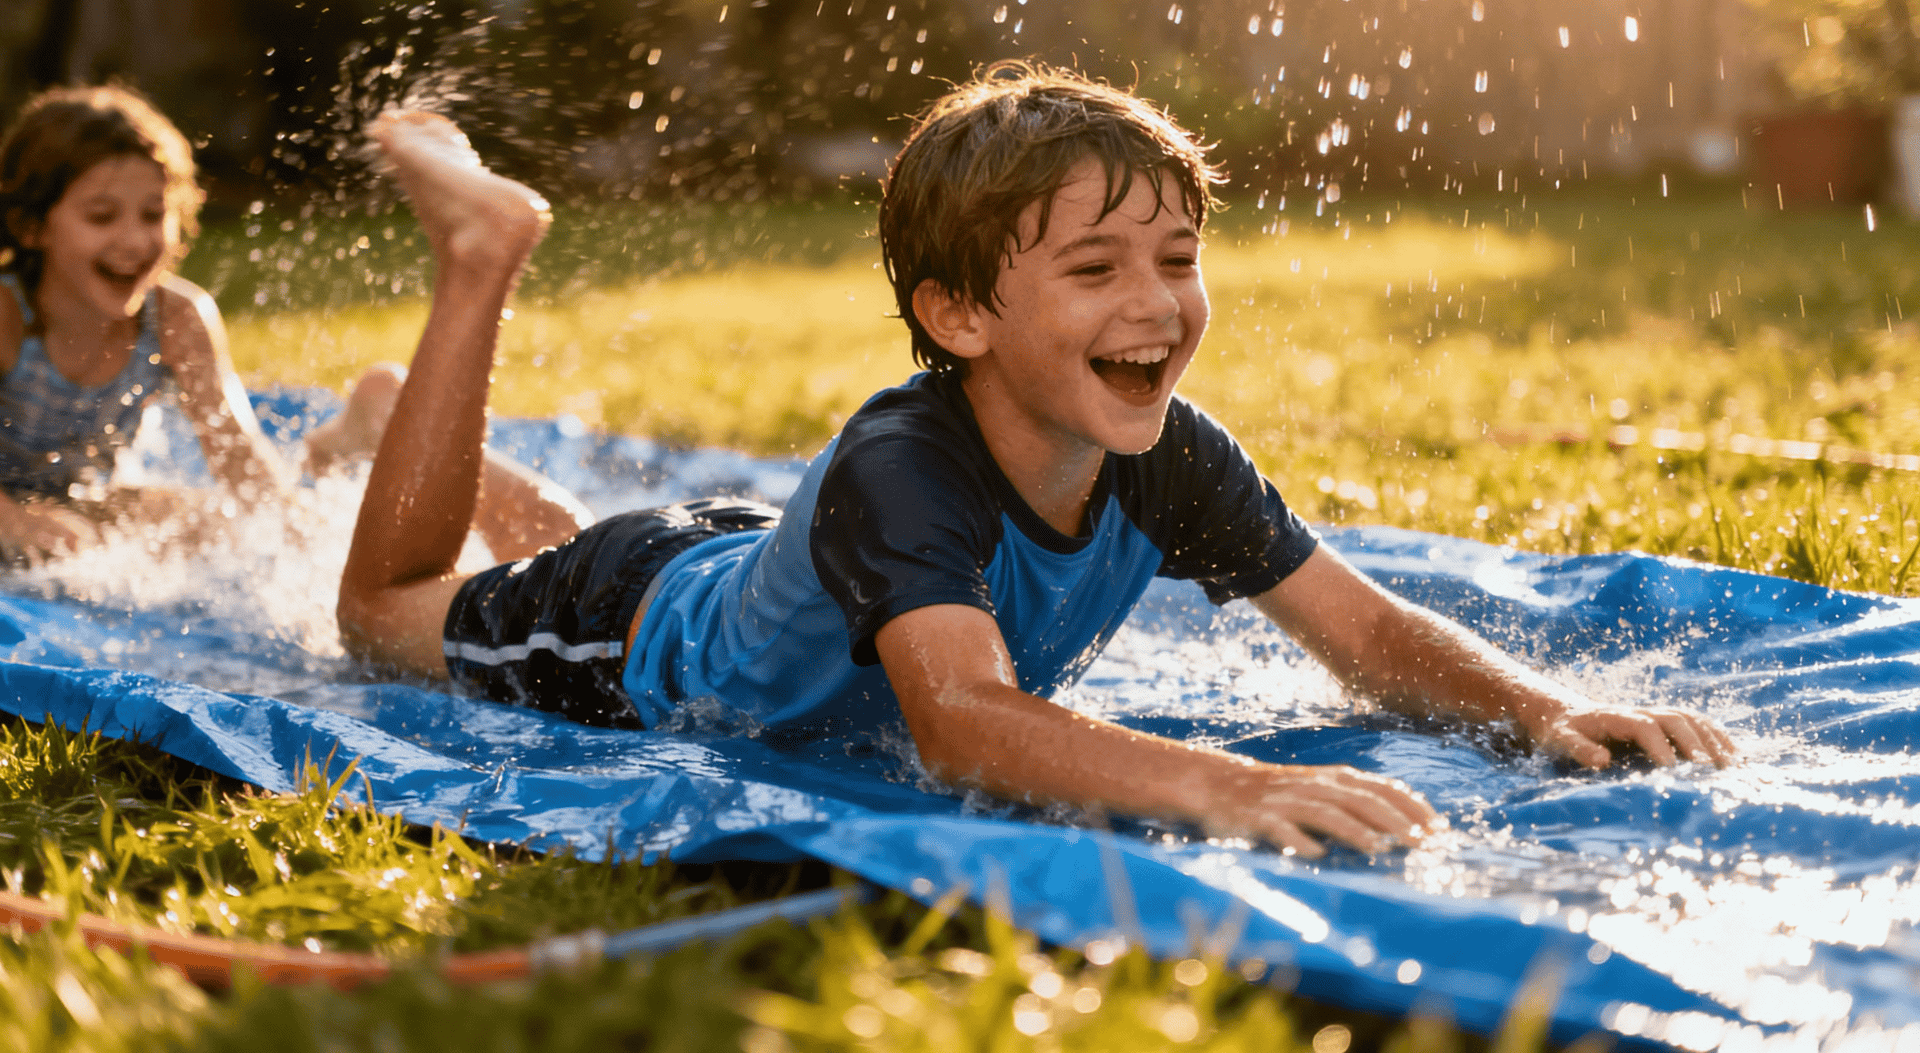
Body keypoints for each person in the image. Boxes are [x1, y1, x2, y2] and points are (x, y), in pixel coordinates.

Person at [337, 65, 1736, 859]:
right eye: (1095, 268)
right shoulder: (903, 463)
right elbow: (960, 723)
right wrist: (1225, 785)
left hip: (749, 553)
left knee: (611, 539)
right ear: (958, 316)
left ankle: (414, 426)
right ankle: (476, 268)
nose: (1156, 305)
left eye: (1178, 260)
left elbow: (1362, 630)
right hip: (621, 630)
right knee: (383, 612)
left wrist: (1538, 710)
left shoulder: (1168, 451)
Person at [0, 85, 589, 564]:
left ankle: (344, 449)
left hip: (90, 499)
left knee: (219, 526)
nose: (134, 240)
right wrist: (16, 520)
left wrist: (288, 544)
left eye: (154, 215)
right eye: (102, 217)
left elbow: (242, 464)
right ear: (31, 228)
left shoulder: (175, 319)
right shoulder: (6, 315)